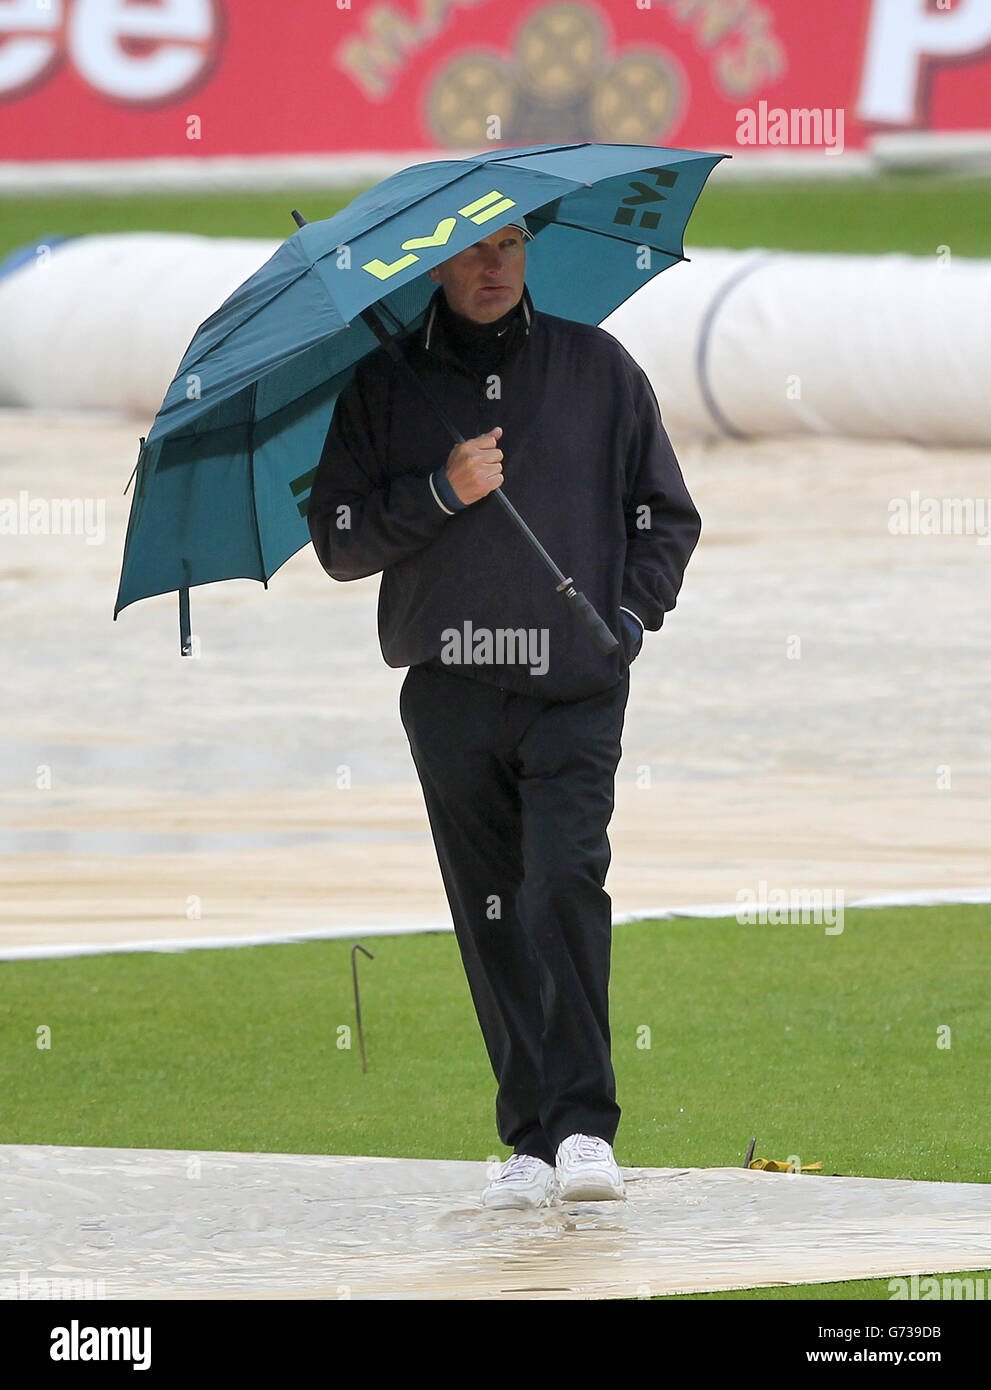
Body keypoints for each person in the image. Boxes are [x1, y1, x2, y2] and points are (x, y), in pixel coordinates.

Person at [308, 220, 701, 1209]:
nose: (492, 266)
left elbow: (664, 516)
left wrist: (626, 616)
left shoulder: (597, 368)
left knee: (561, 884)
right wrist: (442, 490)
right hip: (447, 689)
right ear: (436, 263)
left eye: (510, 245)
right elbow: (339, 540)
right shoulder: (384, 385)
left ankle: (584, 1129)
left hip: (577, 681)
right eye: (473, 250)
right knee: (489, 911)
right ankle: (529, 1137)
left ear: (529, 253)